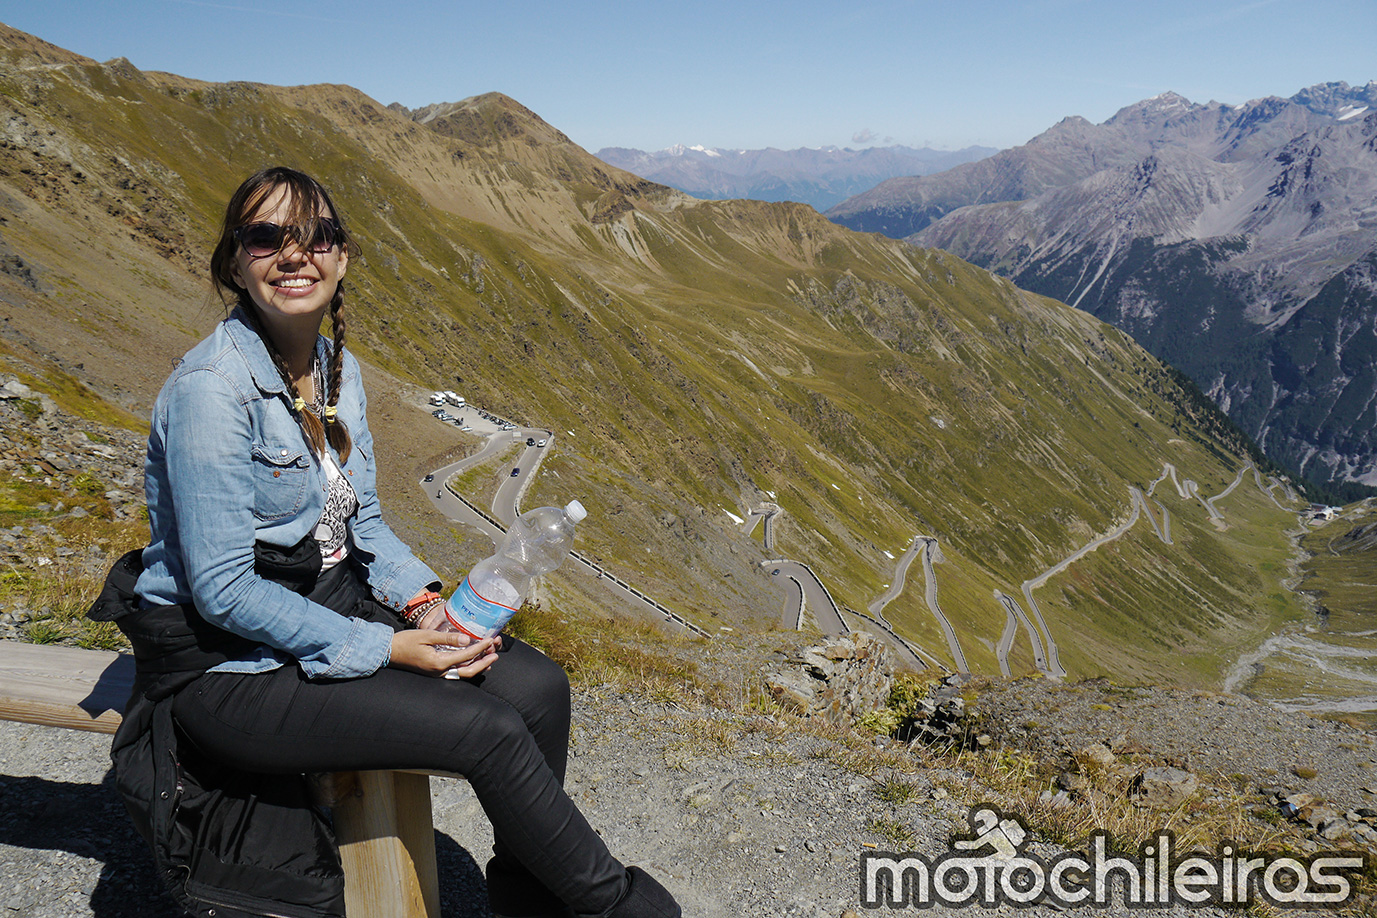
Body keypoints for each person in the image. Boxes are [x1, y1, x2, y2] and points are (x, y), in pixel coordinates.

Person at [101, 166, 682, 918]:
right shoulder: (211, 389)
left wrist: (422, 604)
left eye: (316, 236)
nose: (294, 254)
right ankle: (622, 908)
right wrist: (386, 648)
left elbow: (364, 524)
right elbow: (225, 591)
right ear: (235, 264)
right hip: (228, 663)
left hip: (327, 604)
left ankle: (531, 901)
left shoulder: (336, 370)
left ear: (342, 258)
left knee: (538, 689)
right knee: (486, 730)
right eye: (266, 237)